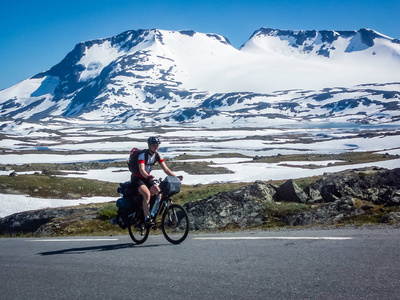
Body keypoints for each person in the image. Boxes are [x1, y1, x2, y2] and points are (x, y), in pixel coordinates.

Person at [131, 136, 182, 225]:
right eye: (154, 145)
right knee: (147, 194)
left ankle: (152, 214)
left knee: (159, 193)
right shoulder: (143, 155)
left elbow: (166, 169)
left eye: (157, 145)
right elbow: (141, 170)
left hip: (147, 178)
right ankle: (146, 218)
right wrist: (148, 177)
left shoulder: (157, 155)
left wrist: (176, 177)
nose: (156, 147)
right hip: (137, 179)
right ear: (149, 145)